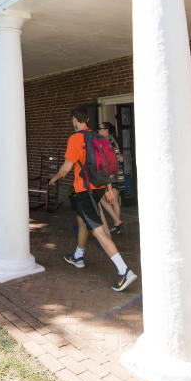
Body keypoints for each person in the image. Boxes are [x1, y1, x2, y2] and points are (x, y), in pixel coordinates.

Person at [49, 106, 137, 292]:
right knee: (82, 220)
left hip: (85, 190)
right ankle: (78, 256)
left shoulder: (76, 138)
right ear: (87, 119)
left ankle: (124, 270)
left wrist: (54, 178)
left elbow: (66, 168)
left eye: (72, 120)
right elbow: (105, 165)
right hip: (98, 188)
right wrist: (109, 189)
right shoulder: (98, 138)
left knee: (97, 230)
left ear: (74, 119)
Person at [97, 121, 125, 235]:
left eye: (100, 128)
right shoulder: (113, 140)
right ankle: (117, 225)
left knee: (105, 199)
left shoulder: (107, 142)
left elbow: (115, 158)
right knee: (114, 201)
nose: (98, 130)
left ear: (106, 130)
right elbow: (120, 157)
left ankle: (117, 223)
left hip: (112, 175)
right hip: (117, 173)